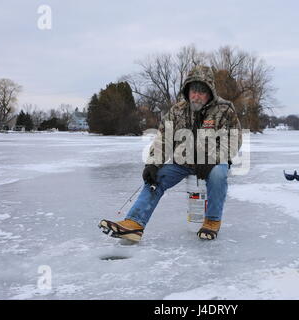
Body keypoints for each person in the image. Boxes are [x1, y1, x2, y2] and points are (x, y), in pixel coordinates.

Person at [99, 65, 242, 241]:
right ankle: (135, 224)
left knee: (219, 175)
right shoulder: (177, 110)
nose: (196, 96)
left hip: (212, 162)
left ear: (210, 92)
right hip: (183, 161)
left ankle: (212, 221)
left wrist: (212, 159)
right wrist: (153, 162)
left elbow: (233, 140)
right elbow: (163, 138)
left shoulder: (225, 109)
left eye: (202, 91)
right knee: (156, 177)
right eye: (193, 91)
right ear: (187, 91)